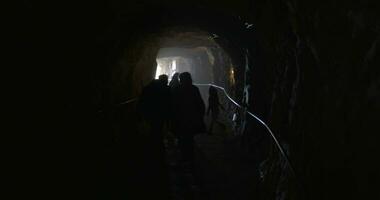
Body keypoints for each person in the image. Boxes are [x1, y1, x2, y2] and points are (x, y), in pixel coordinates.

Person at [137, 74, 171, 199]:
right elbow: (169, 104)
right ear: (164, 81)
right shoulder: (165, 89)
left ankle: (154, 146)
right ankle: (157, 147)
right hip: (160, 115)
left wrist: (140, 114)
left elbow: (142, 101)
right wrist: (170, 119)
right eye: (166, 81)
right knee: (157, 129)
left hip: (150, 114)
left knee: (154, 129)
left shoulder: (149, 88)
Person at [172, 72, 205, 167]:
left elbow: (173, 105)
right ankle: (190, 158)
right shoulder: (194, 89)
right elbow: (200, 104)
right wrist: (200, 116)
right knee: (189, 138)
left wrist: (172, 118)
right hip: (191, 118)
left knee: (182, 138)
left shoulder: (177, 89)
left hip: (181, 119)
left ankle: (184, 157)